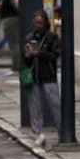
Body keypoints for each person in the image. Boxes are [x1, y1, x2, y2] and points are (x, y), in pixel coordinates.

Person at [23, 11, 61, 147]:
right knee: (35, 107)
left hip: (48, 76)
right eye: (36, 22)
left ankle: (62, 132)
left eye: (40, 22)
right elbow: (25, 61)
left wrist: (38, 53)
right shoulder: (29, 37)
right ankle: (39, 133)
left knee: (55, 105)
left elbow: (54, 56)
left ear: (45, 22)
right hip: (34, 77)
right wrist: (28, 55)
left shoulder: (52, 37)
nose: (38, 25)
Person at [1, 0, 21, 74]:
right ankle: (16, 66)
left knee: (14, 44)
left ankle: (16, 67)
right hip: (10, 19)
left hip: (12, 20)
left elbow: (17, 5)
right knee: (13, 44)